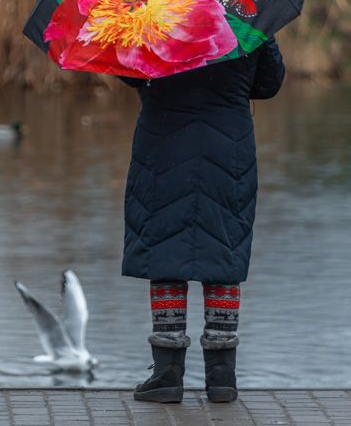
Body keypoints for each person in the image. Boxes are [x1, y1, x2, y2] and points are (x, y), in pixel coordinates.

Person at [122, 37, 285, 404]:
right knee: (223, 252)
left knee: (165, 252)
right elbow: (269, 84)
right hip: (228, 151)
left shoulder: (156, 14)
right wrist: (263, 38)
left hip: (163, 147)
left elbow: (129, 72)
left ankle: (166, 375)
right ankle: (222, 376)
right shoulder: (248, 18)